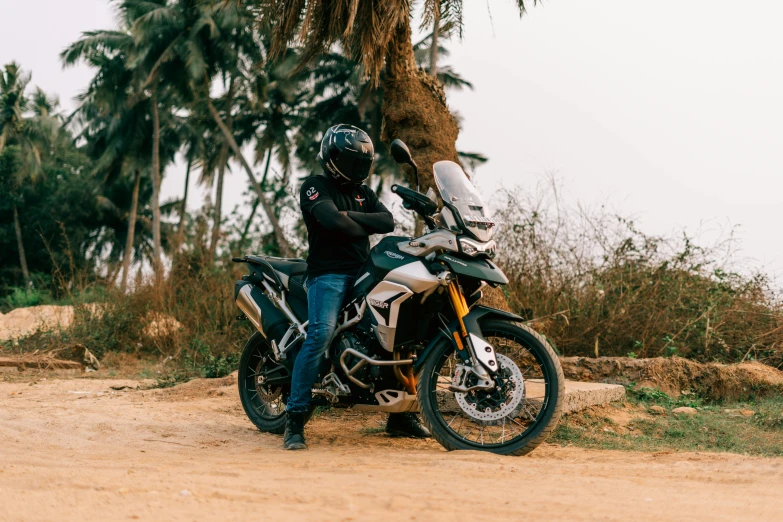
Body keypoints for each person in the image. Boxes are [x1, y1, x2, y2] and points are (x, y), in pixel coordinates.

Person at [284, 124, 431, 450]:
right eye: (352, 163)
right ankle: (294, 418)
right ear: (333, 158)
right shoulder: (314, 186)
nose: (357, 170)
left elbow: (386, 221)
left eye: (362, 165)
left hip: (366, 272)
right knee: (321, 333)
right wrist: (351, 219)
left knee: (401, 332)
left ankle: (400, 416)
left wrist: (347, 215)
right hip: (328, 275)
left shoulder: (364, 192)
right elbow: (333, 222)